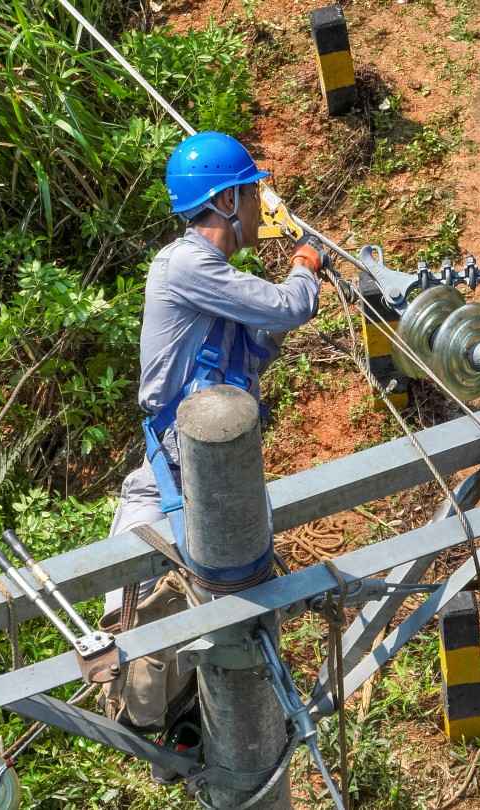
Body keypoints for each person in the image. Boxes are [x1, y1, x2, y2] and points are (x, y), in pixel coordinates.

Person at [103, 130, 324, 636]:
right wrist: (304, 265)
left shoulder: (214, 280)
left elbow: (258, 340)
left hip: (217, 479)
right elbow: (289, 305)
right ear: (227, 200)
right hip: (170, 482)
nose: (257, 210)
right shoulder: (184, 265)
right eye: (250, 195)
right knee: (141, 643)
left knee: (237, 635)